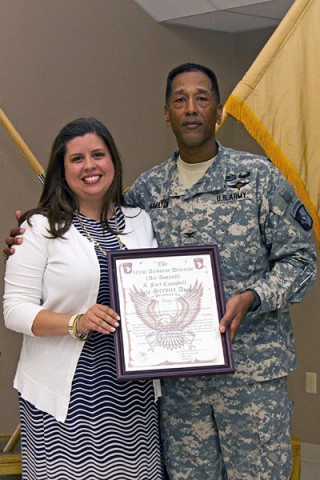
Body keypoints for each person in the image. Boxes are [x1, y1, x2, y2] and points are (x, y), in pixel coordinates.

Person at [4, 64, 318, 480]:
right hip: (177, 389)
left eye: (202, 98)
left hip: (251, 379)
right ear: (166, 113)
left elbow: (301, 260)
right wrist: (29, 233)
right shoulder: (147, 193)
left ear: (219, 111)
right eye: (180, 100)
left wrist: (253, 298)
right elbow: (92, 232)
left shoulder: (259, 178)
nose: (191, 109)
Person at [3, 117, 165, 480]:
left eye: (98, 155)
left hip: (132, 398)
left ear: (113, 162)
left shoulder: (140, 221)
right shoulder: (39, 227)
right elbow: (14, 310)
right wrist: (75, 323)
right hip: (64, 400)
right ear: (62, 170)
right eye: (77, 159)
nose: (90, 166)